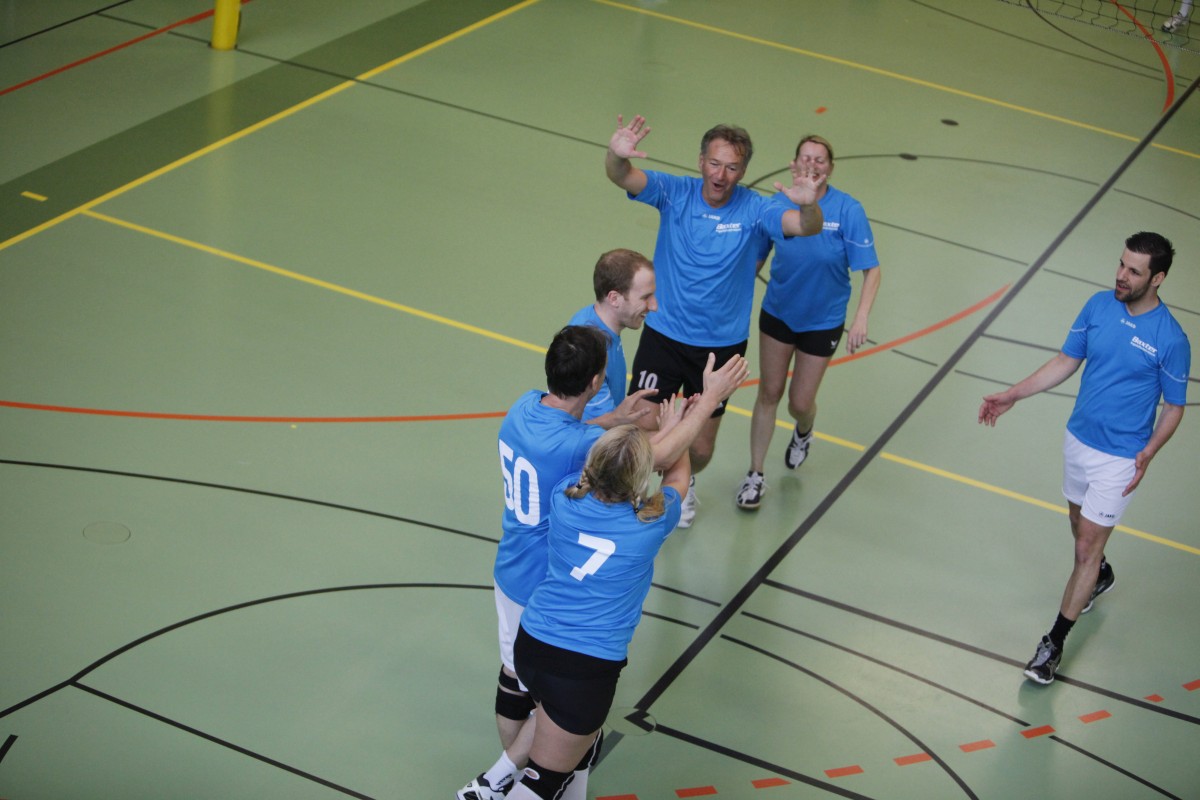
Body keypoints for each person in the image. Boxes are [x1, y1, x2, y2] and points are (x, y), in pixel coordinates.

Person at [458, 328, 749, 800]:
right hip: (557, 610)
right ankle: (511, 782)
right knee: (551, 747)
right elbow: (666, 460)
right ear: (596, 381)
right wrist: (704, 403)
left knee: (522, 682)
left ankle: (496, 778)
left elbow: (588, 443)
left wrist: (614, 420)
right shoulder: (641, 520)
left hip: (519, 581)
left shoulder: (527, 417)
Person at [979, 232, 1189, 685]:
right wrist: (1013, 394)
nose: (1121, 275)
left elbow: (1174, 407)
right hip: (1078, 441)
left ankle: (1052, 644)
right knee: (1078, 526)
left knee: (1083, 547)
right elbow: (1065, 361)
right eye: (1121, 264)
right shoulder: (1097, 306)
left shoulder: (1171, 339)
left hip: (1121, 458)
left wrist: (1149, 452)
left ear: (1157, 279)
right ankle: (1101, 573)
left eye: (1134, 271)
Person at [605, 113, 825, 527]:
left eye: (732, 167)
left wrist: (810, 204)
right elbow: (622, 175)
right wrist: (616, 156)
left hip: (720, 347)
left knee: (701, 449)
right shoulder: (674, 192)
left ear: (743, 171)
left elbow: (805, 226)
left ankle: (684, 481)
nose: (721, 175)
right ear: (700, 160)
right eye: (714, 163)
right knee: (642, 426)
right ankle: (649, 489)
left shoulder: (756, 209)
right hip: (665, 335)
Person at [735, 134, 881, 510]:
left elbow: (872, 269)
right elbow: (756, 259)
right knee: (769, 393)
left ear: (830, 168)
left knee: (800, 402)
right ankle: (755, 474)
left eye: (819, 159)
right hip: (779, 313)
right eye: (806, 158)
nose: (812, 164)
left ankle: (804, 429)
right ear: (794, 163)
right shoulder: (777, 205)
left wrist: (861, 317)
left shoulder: (848, 210)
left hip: (823, 321)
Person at [567, 249, 658, 424]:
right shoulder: (589, 350)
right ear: (614, 298)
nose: (654, 306)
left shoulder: (593, 319)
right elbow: (606, 428)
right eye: (646, 297)